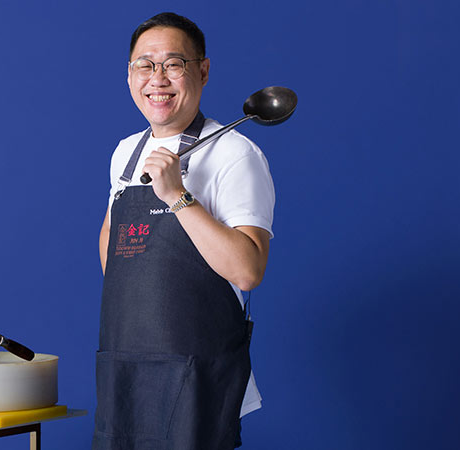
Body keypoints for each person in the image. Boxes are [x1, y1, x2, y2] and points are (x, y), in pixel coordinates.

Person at [95, 12, 275, 450]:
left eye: (173, 64)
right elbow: (113, 256)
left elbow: (248, 271)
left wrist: (177, 196)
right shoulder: (125, 153)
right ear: (129, 75)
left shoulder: (236, 154)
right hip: (126, 365)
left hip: (197, 372)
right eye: (145, 65)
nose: (158, 78)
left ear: (203, 70)